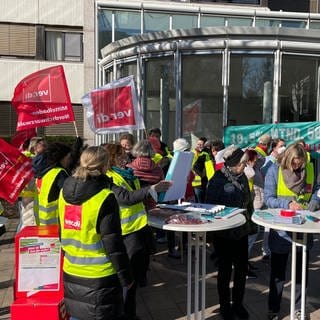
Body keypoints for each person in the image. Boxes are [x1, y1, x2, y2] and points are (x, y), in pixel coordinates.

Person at [58, 146, 133, 320]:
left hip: (71, 270)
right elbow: (113, 244)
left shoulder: (63, 193)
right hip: (101, 276)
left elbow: (62, 233)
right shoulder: (105, 197)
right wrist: (126, 278)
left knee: (77, 316)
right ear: (104, 166)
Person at [105, 143, 172, 320]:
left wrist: (154, 193)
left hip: (139, 228)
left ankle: (131, 313)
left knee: (135, 277)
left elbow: (138, 193)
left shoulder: (127, 173)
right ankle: (125, 314)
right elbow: (126, 198)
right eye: (120, 154)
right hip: (125, 233)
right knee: (127, 279)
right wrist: (151, 189)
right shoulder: (109, 177)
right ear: (112, 158)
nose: (125, 157)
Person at [264, 142, 320, 320]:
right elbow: (268, 198)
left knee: (301, 274)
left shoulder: (310, 168)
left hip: (304, 229)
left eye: (300, 164)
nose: (297, 167)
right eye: (294, 163)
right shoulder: (274, 170)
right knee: (278, 274)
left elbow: (317, 190)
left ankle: (298, 308)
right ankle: (273, 308)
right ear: (287, 159)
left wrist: (315, 202)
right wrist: (287, 203)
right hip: (282, 230)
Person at [205, 146, 256, 320]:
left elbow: (248, 203)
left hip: (241, 232)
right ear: (233, 164)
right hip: (224, 234)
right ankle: (225, 306)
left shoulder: (242, 178)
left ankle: (238, 304)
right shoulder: (217, 180)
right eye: (242, 163)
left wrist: (251, 225)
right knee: (225, 272)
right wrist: (211, 235)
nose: (244, 166)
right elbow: (209, 207)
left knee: (241, 270)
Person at [35, 142, 72, 225]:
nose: (69, 160)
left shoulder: (43, 172)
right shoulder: (59, 173)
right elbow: (70, 195)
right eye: (68, 157)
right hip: (55, 222)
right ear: (62, 158)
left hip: (42, 220)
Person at [192, 136, 214, 203]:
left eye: (201, 144)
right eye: (198, 144)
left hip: (203, 183)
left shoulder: (205, 154)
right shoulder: (194, 153)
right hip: (196, 183)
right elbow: (193, 167)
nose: (199, 146)